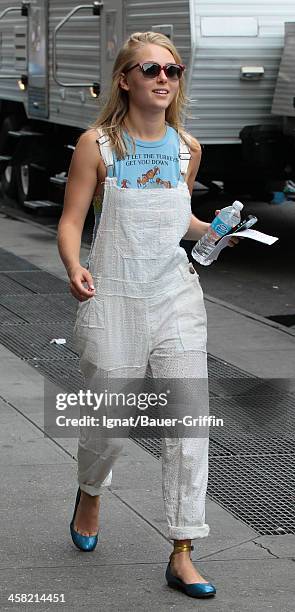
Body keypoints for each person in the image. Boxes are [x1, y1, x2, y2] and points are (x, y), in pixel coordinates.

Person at [57, 31, 238, 599]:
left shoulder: (188, 147)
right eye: (152, 69)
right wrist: (72, 266)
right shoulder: (98, 145)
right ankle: (91, 491)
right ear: (125, 79)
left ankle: (183, 549)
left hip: (176, 299)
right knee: (108, 421)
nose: (164, 78)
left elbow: (176, 218)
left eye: (174, 70)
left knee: (189, 425)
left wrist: (216, 231)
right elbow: (71, 220)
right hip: (113, 298)